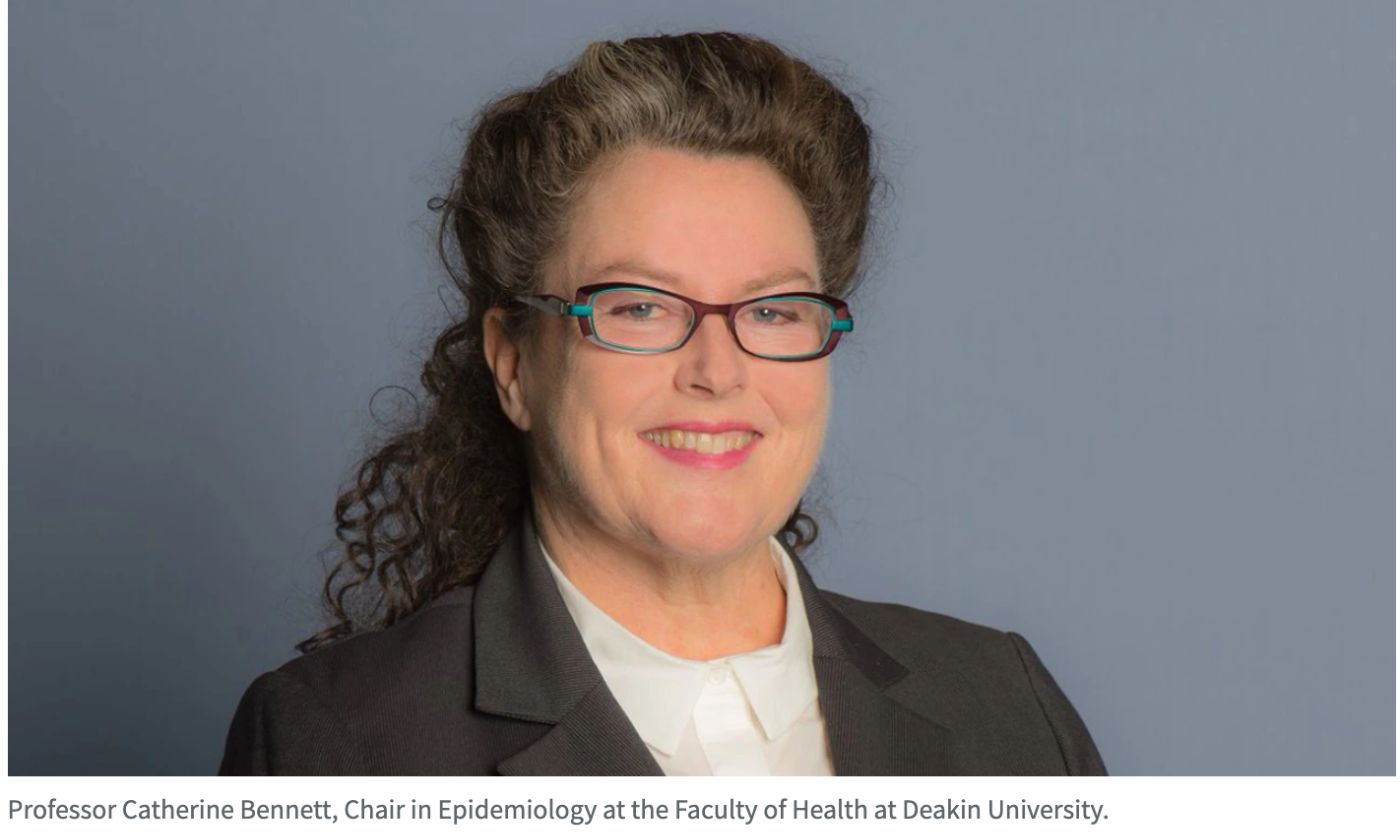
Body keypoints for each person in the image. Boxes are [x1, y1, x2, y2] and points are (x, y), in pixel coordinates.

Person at [219, 31, 1105, 776]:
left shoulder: (1005, 702)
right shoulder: (340, 743)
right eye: (639, 307)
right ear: (514, 365)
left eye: (772, 310)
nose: (717, 370)